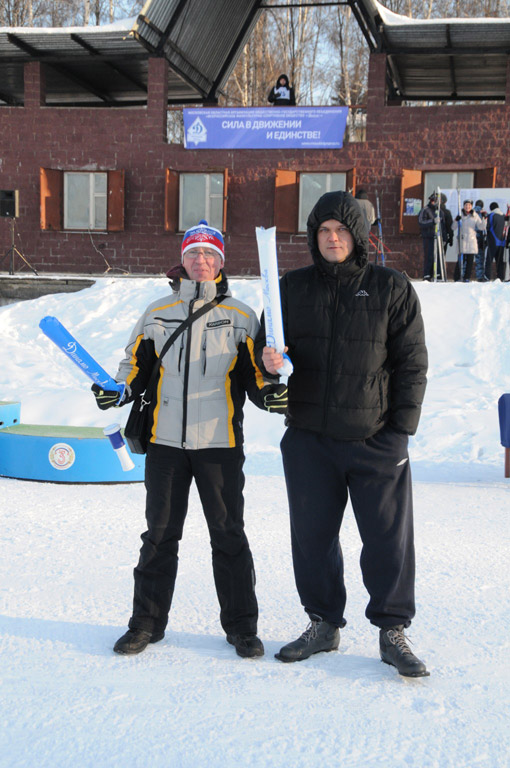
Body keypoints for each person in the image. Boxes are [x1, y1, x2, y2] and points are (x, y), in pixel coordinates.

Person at [92, 220, 287, 658]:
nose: (201, 260)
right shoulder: (157, 312)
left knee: (229, 536)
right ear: (182, 259)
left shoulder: (241, 316)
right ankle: (145, 624)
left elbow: (256, 377)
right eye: (193, 253)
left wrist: (272, 395)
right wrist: (116, 390)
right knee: (159, 536)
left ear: (220, 262)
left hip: (219, 445)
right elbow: (134, 366)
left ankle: (242, 628)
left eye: (209, 254)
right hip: (165, 445)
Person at [256, 190, 429, 678]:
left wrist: (400, 432)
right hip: (309, 438)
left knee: (387, 541)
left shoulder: (391, 287)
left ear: (359, 236)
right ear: (314, 237)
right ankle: (323, 623)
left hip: (375, 439)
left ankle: (392, 630)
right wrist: (268, 365)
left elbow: (412, 363)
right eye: (324, 231)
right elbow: (264, 357)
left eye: (342, 230)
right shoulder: (290, 288)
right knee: (312, 539)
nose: (333, 238)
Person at [454, 199, 485, 282]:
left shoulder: (474, 215)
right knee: (462, 260)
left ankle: (465, 277)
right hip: (465, 240)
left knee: (468, 261)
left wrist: (484, 218)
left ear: (472, 206)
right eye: (466, 205)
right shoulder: (461, 214)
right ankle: (458, 277)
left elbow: (481, 227)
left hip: (470, 241)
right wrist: (456, 220)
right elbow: (453, 227)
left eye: (469, 205)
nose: (468, 207)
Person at [418, 193, 444, 280]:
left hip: (438, 237)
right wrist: (432, 221)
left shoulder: (440, 211)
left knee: (438, 256)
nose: (434, 202)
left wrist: (445, 236)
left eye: (436, 201)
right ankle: (427, 274)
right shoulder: (425, 210)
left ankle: (438, 274)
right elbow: (421, 222)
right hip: (428, 236)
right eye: (433, 200)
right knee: (429, 256)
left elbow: (443, 225)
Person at [486, 202, 506, 282]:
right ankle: (501, 277)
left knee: (489, 260)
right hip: (502, 242)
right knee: (500, 261)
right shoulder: (503, 216)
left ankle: (487, 276)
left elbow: (488, 227)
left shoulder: (491, 215)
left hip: (493, 241)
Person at [474, 200, 488, 281]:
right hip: (480, 239)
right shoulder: (483, 213)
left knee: (467, 258)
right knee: (480, 258)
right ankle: (479, 276)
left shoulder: (470, 212)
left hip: (470, 238)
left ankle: (464, 275)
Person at [440, 193, 454, 261]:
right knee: (441, 256)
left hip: (443, 237)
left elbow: (449, 225)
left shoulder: (446, 212)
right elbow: (450, 226)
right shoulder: (431, 210)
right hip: (442, 237)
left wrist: (451, 237)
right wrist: (451, 237)